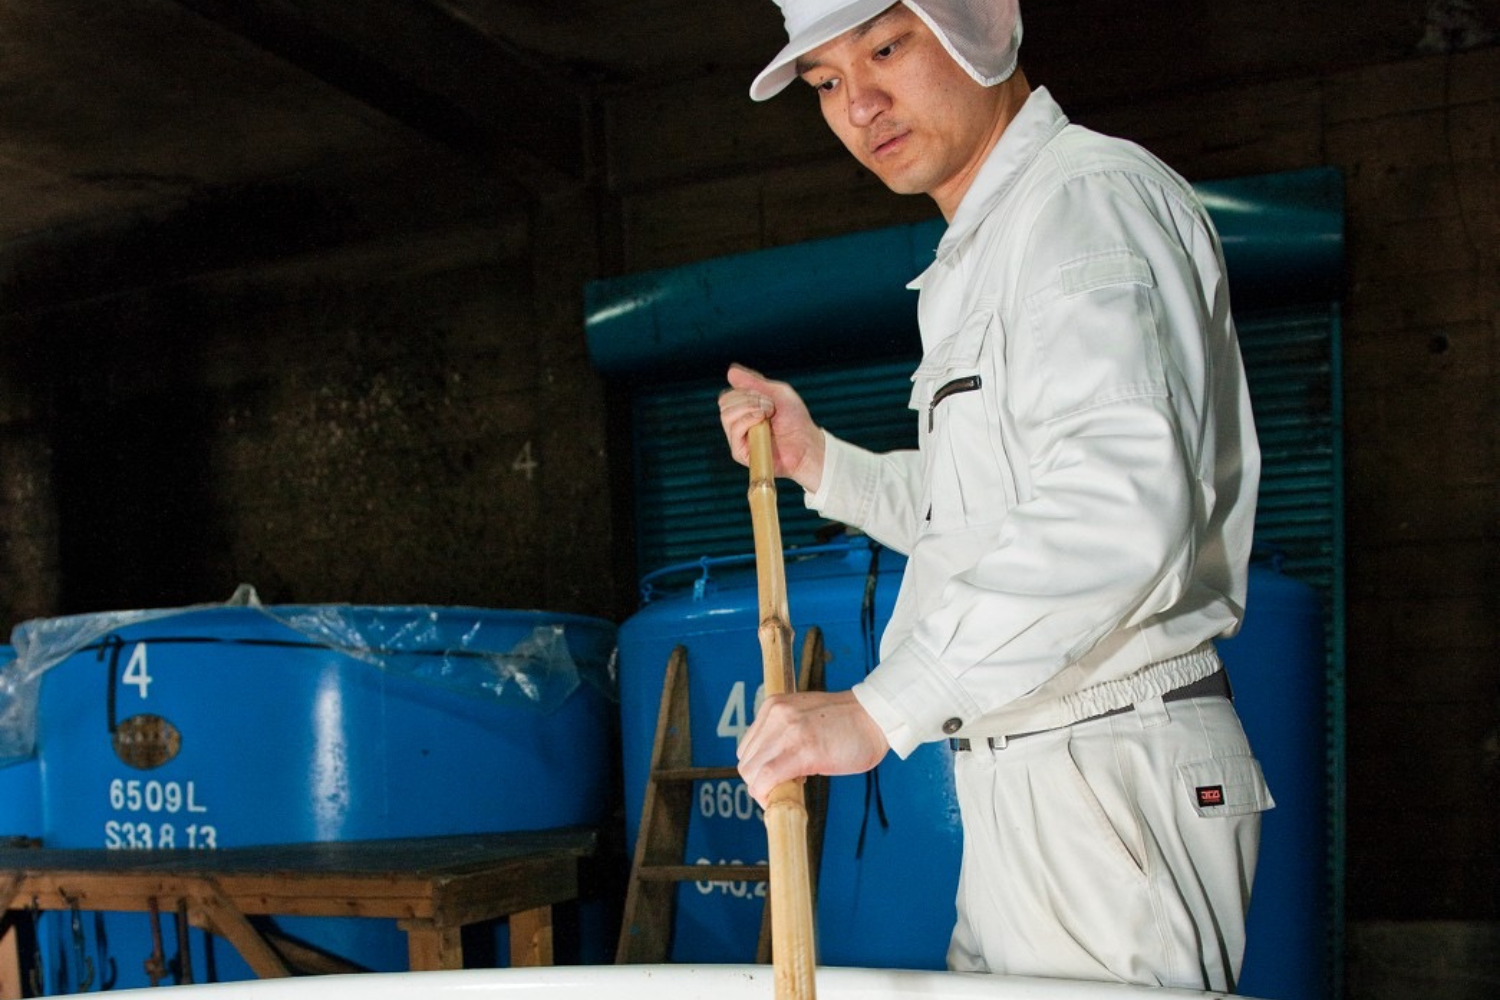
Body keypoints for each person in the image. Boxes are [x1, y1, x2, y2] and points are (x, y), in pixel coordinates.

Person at [716, 0, 1275, 992]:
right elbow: (992, 507)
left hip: (1101, 772)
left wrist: (880, 709)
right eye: (828, 83)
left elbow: (1115, 502)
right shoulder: (992, 246)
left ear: (981, 22)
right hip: (1042, 765)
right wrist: (821, 462)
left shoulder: (1082, 206)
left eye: (886, 48)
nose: (862, 105)